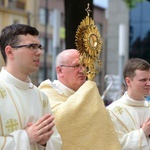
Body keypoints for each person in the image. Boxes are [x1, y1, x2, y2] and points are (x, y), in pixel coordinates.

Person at [39, 49, 121, 150]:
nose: (82, 70)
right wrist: (89, 89)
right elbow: (58, 121)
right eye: (76, 66)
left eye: (84, 66)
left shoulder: (89, 98)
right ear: (60, 70)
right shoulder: (44, 95)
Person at [0, 24, 62, 150]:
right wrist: (26, 138)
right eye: (32, 46)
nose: (39, 52)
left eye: (39, 46)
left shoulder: (41, 96)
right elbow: (29, 137)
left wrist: (44, 142)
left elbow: (55, 141)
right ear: (10, 51)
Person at [107, 58, 150, 149]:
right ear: (128, 81)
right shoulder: (112, 112)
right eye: (143, 80)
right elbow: (112, 145)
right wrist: (142, 133)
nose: (148, 83)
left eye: (149, 79)